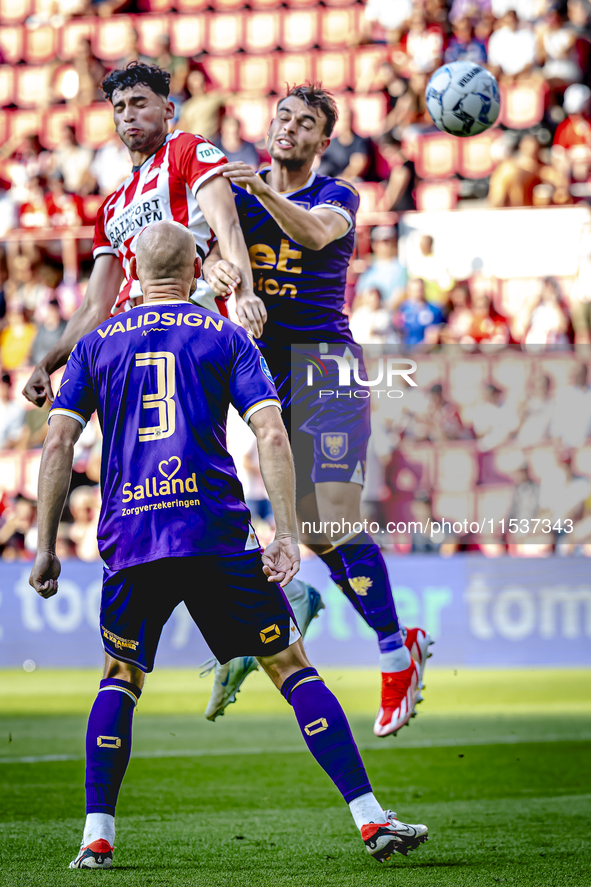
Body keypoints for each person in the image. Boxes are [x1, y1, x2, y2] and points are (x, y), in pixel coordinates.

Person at [29, 221, 428, 869]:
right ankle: (368, 816)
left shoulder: (95, 344)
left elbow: (56, 443)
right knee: (291, 666)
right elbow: (271, 434)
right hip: (214, 529)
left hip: (130, 534)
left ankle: (95, 837)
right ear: (194, 271)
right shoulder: (225, 335)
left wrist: (45, 546)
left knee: (119, 677)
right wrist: (288, 536)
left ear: (131, 265)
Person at [203, 84, 432, 738]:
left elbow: (310, 231)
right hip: (267, 377)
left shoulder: (337, 195)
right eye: (283, 116)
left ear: (322, 141)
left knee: (331, 515)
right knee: (311, 530)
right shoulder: (234, 196)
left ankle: (393, 654)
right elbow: (215, 252)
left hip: (326, 365)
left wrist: (268, 193)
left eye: (305, 123)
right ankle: (399, 635)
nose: (289, 129)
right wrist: (221, 269)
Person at [23, 62, 259, 408]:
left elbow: (228, 225)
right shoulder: (110, 206)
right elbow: (94, 306)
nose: (128, 115)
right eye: (120, 107)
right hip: (128, 338)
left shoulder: (187, 150)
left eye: (139, 103)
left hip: (188, 323)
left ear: (168, 110)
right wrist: (47, 364)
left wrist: (247, 293)